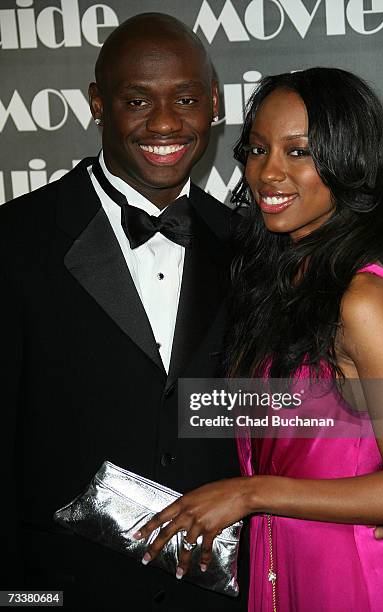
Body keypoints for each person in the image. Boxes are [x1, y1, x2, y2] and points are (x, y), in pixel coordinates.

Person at [135, 68, 383, 611]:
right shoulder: (271, 286)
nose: (267, 172)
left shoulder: (363, 301)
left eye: (299, 152)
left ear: (349, 163)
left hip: (354, 585)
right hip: (274, 573)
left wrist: (250, 494)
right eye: (258, 148)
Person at [0, 13, 248, 612]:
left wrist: (373, 500)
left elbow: (295, 404)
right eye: (137, 100)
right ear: (96, 103)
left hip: (215, 596)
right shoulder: (15, 242)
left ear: (213, 104)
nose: (164, 123)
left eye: (185, 99)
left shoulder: (252, 248)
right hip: (63, 592)